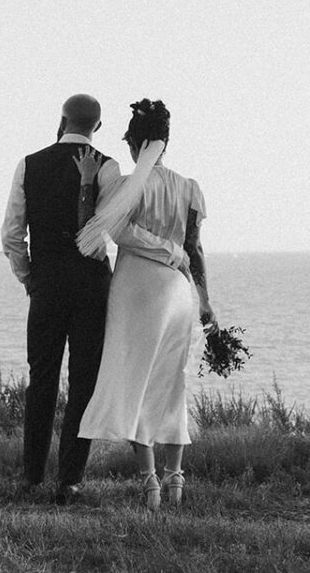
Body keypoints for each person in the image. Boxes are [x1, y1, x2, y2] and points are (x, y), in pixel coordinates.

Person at [0, 94, 186, 503]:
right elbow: (107, 225)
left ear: (61, 120)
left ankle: (32, 475)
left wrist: (30, 276)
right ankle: (69, 479)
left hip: (46, 285)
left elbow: (12, 234)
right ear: (97, 127)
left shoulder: (28, 164)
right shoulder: (109, 167)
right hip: (90, 288)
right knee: (83, 381)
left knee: (41, 379)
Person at [75, 98, 215, 511]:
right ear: (164, 143)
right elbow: (195, 249)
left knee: (136, 381)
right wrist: (205, 300)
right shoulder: (188, 187)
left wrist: (162, 250)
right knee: (173, 383)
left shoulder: (128, 186)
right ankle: (176, 479)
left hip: (138, 290)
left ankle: (151, 482)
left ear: (134, 145)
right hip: (177, 293)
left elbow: (115, 231)